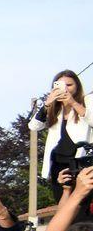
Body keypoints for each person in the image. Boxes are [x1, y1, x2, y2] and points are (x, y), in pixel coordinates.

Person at [30, 69, 93, 204]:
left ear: (77, 86)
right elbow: (34, 126)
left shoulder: (87, 100)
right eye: (60, 85)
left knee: (83, 204)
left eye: (69, 85)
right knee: (63, 204)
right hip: (58, 165)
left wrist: (73, 103)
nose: (66, 89)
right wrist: (47, 104)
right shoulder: (55, 108)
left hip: (80, 161)